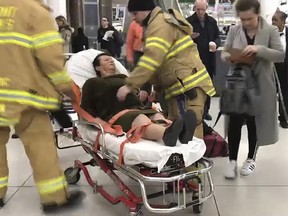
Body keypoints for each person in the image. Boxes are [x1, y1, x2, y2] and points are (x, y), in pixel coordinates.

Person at [0, 0, 85, 212]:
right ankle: (54, 198)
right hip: (25, 94)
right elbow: (50, 60)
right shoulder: (33, 11)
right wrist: (66, 88)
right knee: (40, 145)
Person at [117, 0, 215, 139]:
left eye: (135, 13)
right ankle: (185, 160)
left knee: (190, 132)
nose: (134, 17)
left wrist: (130, 85)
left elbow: (152, 59)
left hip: (188, 88)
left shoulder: (159, 25)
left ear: (145, 10)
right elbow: (162, 62)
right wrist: (157, 89)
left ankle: (193, 161)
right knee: (178, 129)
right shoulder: (160, 23)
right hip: (180, 88)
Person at [221, 0, 285, 179]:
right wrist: (232, 56)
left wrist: (259, 49)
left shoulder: (270, 31)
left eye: (249, 18)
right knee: (234, 122)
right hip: (238, 84)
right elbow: (225, 52)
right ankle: (232, 161)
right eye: (242, 19)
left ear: (257, 14)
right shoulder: (234, 30)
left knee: (254, 123)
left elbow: (280, 55)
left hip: (260, 84)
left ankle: (250, 158)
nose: (246, 23)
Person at [81, 53, 198, 147]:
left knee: (156, 116)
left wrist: (140, 93)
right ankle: (165, 135)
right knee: (140, 118)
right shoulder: (93, 82)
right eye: (106, 60)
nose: (111, 60)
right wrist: (98, 122)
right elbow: (86, 107)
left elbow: (133, 93)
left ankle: (179, 133)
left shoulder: (123, 78)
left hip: (139, 107)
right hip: (117, 113)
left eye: (111, 59)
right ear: (97, 67)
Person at [187, 0, 221, 121]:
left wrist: (215, 44)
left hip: (209, 60)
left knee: (208, 86)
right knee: (196, 87)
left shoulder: (212, 22)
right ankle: (196, 110)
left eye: (202, 9)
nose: (200, 12)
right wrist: (189, 38)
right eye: (198, 9)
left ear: (206, 9)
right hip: (194, 61)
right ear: (194, 8)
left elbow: (218, 37)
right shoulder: (188, 22)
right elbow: (181, 39)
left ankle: (206, 111)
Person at [272, 10, 288, 129]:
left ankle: (284, 118)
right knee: (269, 95)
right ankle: (268, 120)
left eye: (275, 20)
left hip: (285, 69)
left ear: (283, 21)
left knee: (285, 94)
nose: (273, 22)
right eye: (272, 19)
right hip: (271, 69)